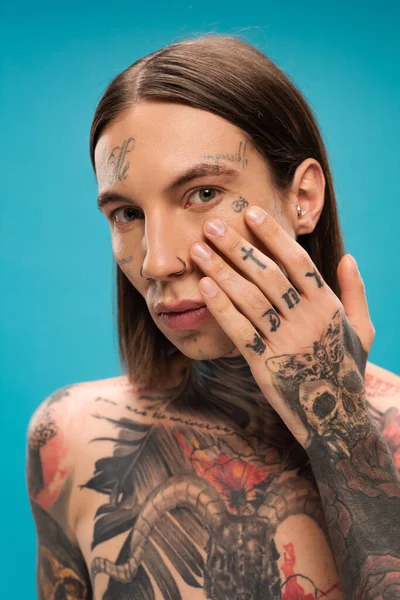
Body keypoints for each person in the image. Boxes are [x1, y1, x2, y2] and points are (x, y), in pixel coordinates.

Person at [27, 35, 400, 600]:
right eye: (126, 213)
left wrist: (339, 422)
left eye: (202, 193)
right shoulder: (71, 439)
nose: (156, 261)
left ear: (302, 198)